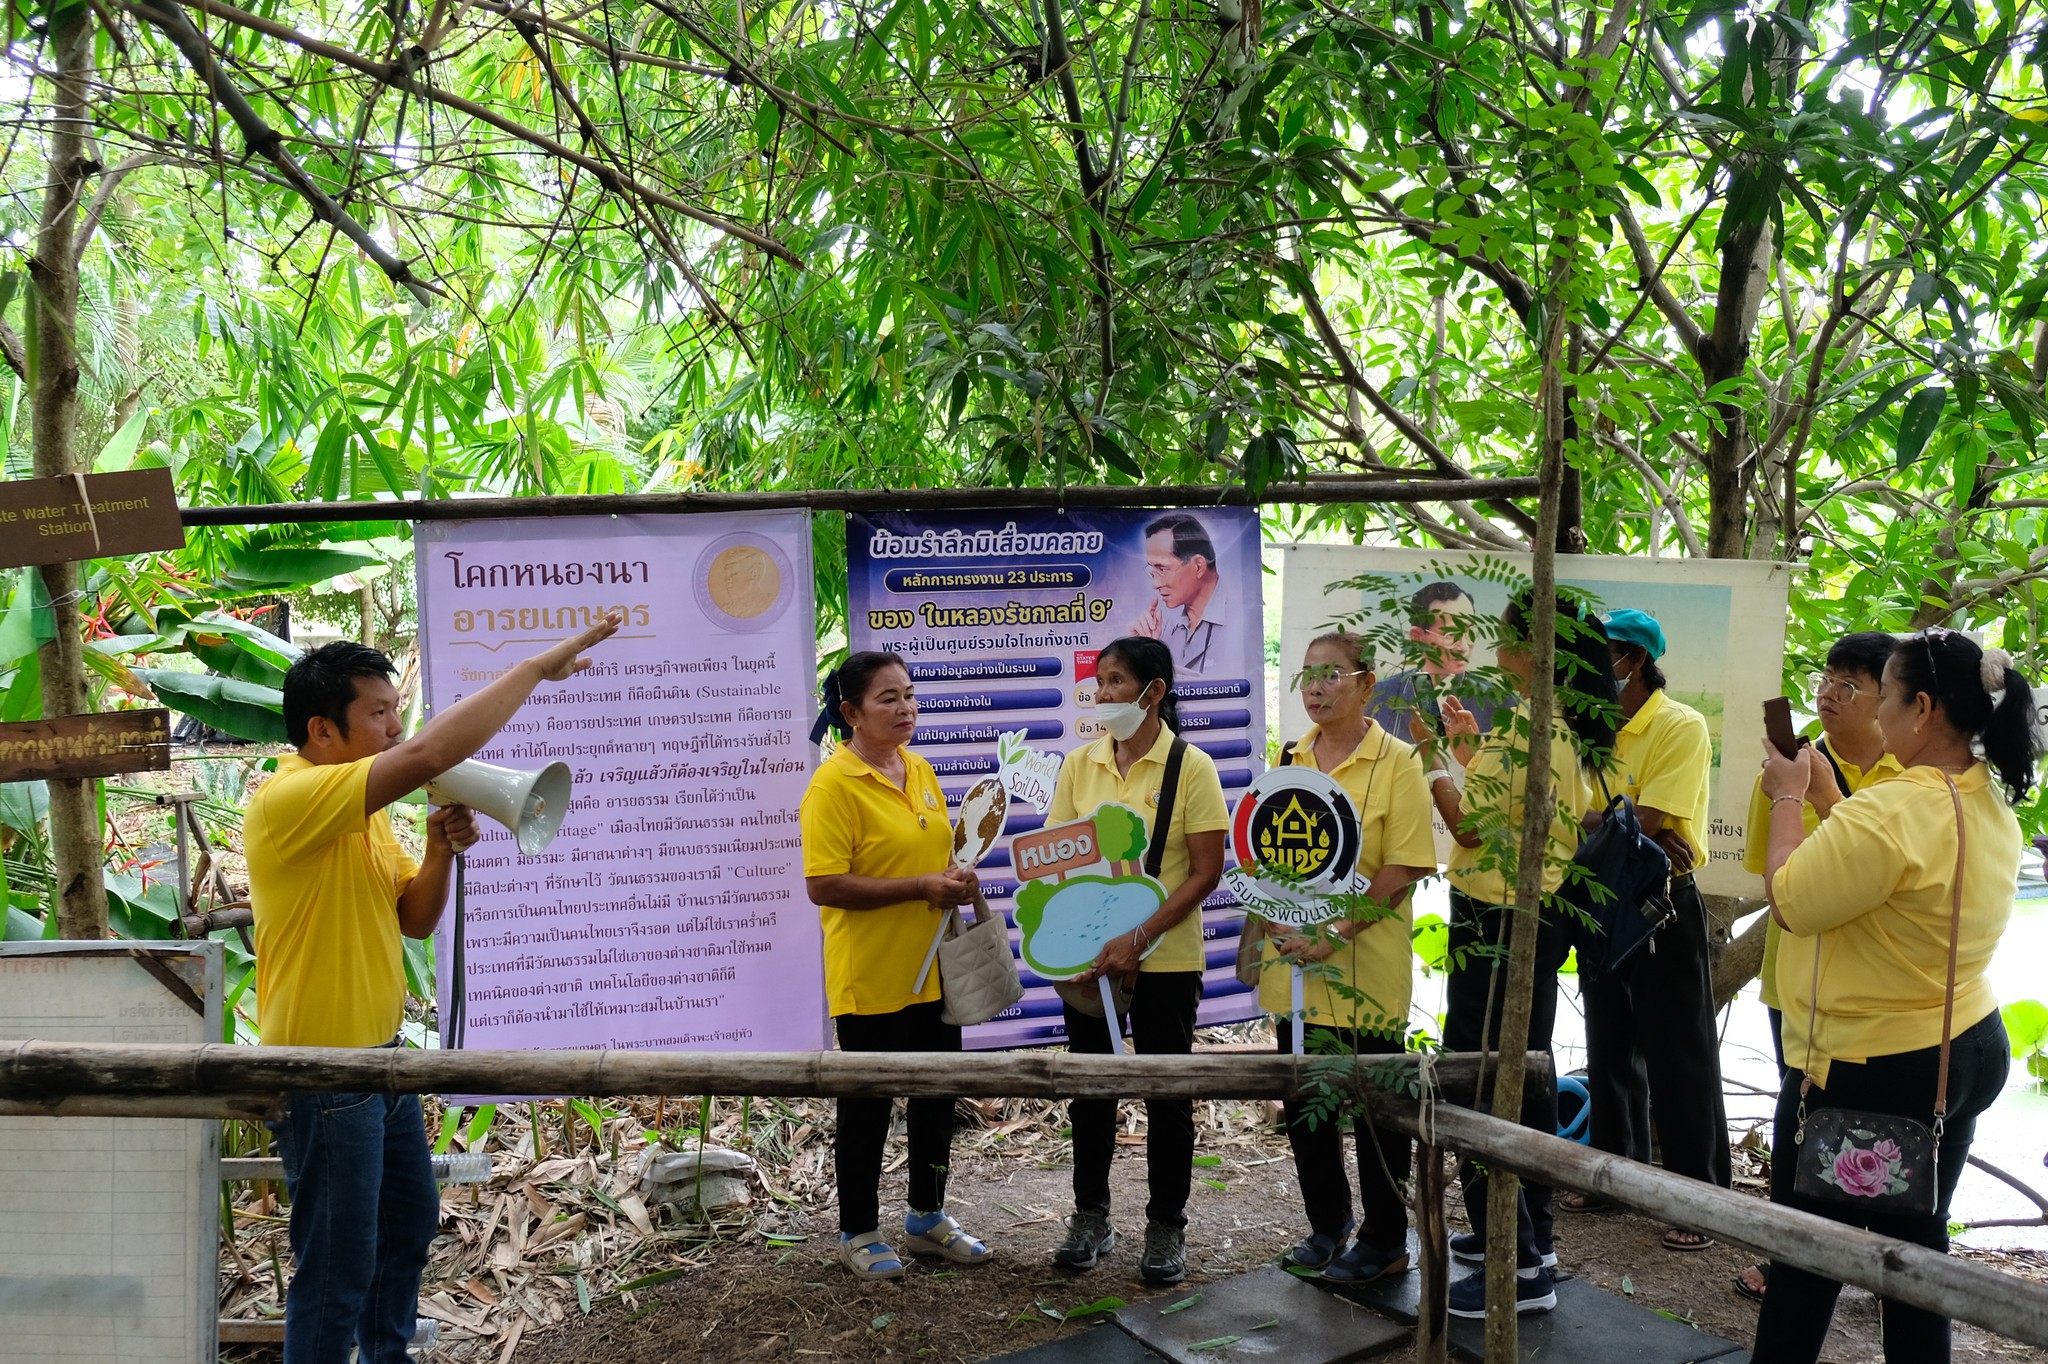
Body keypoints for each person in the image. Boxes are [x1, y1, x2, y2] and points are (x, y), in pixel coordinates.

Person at [249, 615, 621, 1364]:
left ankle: (388, 1355)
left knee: (408, 1226)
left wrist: (437, 849)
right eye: (378, 714)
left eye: (396, 710)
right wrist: (534, 670)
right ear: (322, 731)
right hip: (323, 1073)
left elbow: (415, 921)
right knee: (336, 1265)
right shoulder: (288, 800)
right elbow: (429, 752)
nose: (394, 728)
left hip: (379, 1063)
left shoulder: (363, 815)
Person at [1753, 629, 2032, 1364]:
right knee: (1917, 1253)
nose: (1876, 720)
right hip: (1965, 1041)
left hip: (1874, 1066)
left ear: (1923, 709)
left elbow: (1789, 898)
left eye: (1886, 699)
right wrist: (1829, 795)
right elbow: (1893, 873)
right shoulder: (1982, 798)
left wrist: (1788, 798)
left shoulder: (1893, 810)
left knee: (1806, 1256)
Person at [1413, 589, 1614, 1319]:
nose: (1494, 646)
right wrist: (1469, 748)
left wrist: (1435, 763)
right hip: (1511, 915)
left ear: (1536, 649)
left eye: (1502, 635)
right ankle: (1531, 1240)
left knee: (1482, 1079)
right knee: (1520, 1074)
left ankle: (1519, 1263)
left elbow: (1470, 831)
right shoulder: (1550, 723)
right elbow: (1513, 813)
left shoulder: (1543, 728)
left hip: (1502, 922)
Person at [799, 651, 993, 1280]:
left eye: (909, 695)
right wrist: (919, 887)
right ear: (850, 713)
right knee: (868, 1106)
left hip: (936, 971)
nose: (905, 707)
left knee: (937, 1098)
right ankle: (857, 1230)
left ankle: (928, 1217)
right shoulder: (833, 785)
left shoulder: (920, 768)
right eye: (887, 698)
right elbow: (825, 886)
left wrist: (957, 879)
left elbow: (936, 851)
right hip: (872, 978)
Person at [1254, 632, 1437, 1283]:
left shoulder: (1398, 761)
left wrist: (1333, 934)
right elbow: (1268, 852)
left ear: (1366, 683)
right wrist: (1277, 920)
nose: (1316, 687)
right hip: (1294, 971)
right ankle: (1326, 1225)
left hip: (1364, 970)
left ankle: (1387, 1240)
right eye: (1307, 674)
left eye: (1331, 674)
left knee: (1378, 1114)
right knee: (1310, 1106)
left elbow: (1406, 865)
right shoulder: (1290, 757)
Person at [1048, 636, 1229, 1284]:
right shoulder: (1080, 765)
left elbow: (1206, 873)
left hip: (1168, 961)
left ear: (1153, 692)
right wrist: (1071, 945)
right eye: (1100, 683)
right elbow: (1061, 862)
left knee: (1168, 1095)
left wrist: (1140, 938)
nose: (1103, 695)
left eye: (1117, 682)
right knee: (1090, 1094)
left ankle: (1166, 1228)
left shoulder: (1192, 767)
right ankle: (1090, 1216)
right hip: (1093, 963)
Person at [1735, 630, 1899, 1303]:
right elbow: (1774, 881)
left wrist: (1825, 805)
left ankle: (1866, 1249)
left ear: (1892, 698)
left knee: (1875, 1120)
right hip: (1798, 977)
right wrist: (1793, 797)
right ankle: (1790, 1254)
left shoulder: (1912, 772)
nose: (1829, 694)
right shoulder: (1788, 766)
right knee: (1798, 1113)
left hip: (1881, 989)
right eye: (1826, 679)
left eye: (1850, 684)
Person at [1566, 609, 1731, 1247]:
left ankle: (1701, 1199)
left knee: (1678, 1052)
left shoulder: (1678, 725)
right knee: (1609, 1041)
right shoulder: (1590, 728)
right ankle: (1615, 1177)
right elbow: (1623, 823)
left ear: (1631, 660)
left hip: (1661, 900)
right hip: (1598, 895)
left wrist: (1613, 822)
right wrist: (1621, 824)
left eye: (1599, 656)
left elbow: (1656, 815)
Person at [1368, 581, 1507, 738]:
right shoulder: (1378, 696)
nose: (1464, 647)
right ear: (1417, 638)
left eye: (1469, 633)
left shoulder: (1499, 701)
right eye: (1450, 635)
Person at [1130, 512, 1232, 676]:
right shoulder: (1167, 628)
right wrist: (1149, 649)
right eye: (1152, 570)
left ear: (1198, 566)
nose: (1155, 584)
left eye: (1162, 569)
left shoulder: (1239, 622)